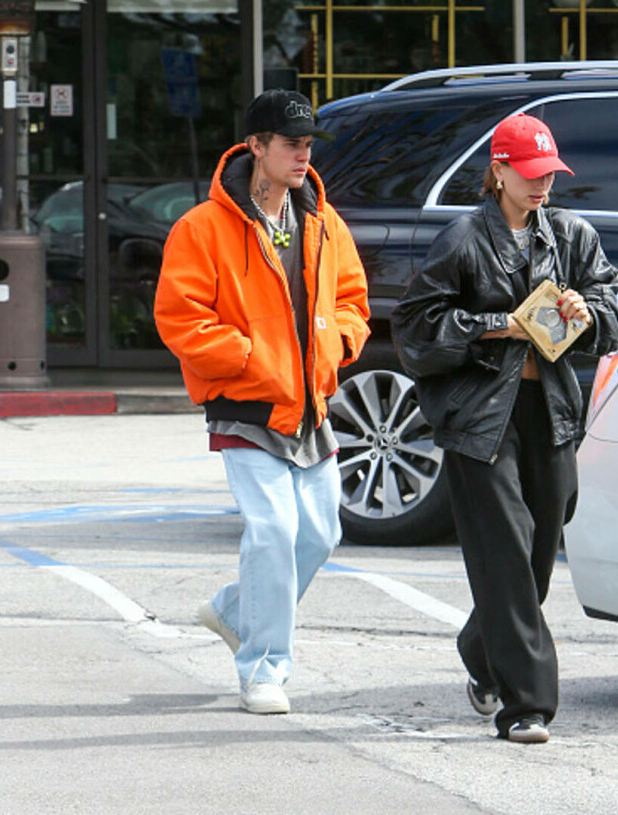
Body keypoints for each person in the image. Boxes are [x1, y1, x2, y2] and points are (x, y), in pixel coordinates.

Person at [391, 113, 618, 743]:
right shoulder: (463, 239)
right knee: (506, 556)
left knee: (535, 558)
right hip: (479, 421)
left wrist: (585, 310)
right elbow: (415, 332)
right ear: (497, 172)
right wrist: (498, 325)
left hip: (548, 413)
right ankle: (527, 704)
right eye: (529, 173)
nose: (542, 184)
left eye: (550, 173)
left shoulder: (572, 235)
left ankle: (480, 648)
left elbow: (611, 319)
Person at [154, 89, 370, 715]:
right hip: (245, 405)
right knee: (274, 532)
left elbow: (352, 300)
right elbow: (179, 318)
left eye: (308, 144)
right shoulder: (202, 227)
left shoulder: (324, 223)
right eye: (290, 144)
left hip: (309, 407)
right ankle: (263, 670)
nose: (303, 155)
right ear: (255, 146)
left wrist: (339, 344)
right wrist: (249, 359)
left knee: (320, 536)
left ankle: (232, 608)